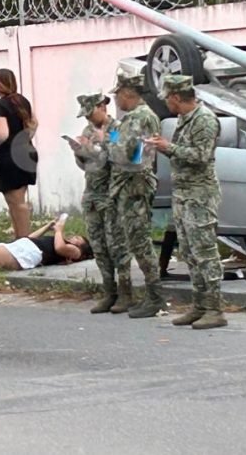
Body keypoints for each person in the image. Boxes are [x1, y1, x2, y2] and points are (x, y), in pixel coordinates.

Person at [145, 74, 227, 329]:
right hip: (184, 194)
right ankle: (200, 305)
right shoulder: (185, 119)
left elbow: (201, 156)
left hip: (200, 195)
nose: (166, 103)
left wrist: (168, 148)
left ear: (177, 97)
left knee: (205, 252)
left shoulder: (204, 120)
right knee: (190, 252)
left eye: (168, 98)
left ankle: (215, 308)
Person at [68, 91, 133, 314]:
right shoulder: (88, 131)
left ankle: (126, 294)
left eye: (90, 114)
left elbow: (118, 158)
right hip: (92, 194)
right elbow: (86, 166)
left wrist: (97, 149)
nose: (88, 120)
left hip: (111, 194)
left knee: (117, 246)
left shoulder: (116, 129)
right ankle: (109, 292)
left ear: (101, 107)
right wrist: (80, 153)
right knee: (98, 245)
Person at [108, 72, 164, 318]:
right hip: (132, 185)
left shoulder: (139, 118)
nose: (116, 100)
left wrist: (107, 144)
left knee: (140, 243)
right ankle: (150, 296)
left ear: (127, 93)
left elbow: (127, 153)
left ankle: (155, 297)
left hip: (135, 186)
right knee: (135, 241)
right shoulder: (136, 117)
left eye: (117, 94)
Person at [0, 68, 38, 239]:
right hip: (26, 152)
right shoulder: (22, 101)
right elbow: (33, 125)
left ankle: (24, 241)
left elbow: (1, 134)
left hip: (11, 156)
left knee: (16, 202)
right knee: (16, 200)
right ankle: (20, 239)